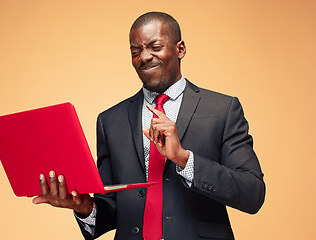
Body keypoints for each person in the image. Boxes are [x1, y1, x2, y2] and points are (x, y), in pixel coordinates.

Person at [32, 12, 265, 240]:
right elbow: (111, 209)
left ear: (180, 49)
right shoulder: (110, 121)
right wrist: (84, 207)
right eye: (136, 51)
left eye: (155, 47)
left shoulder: (222, 110)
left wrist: (184, 159)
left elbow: (252, 193)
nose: (144, 57)